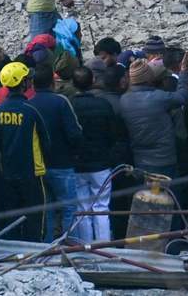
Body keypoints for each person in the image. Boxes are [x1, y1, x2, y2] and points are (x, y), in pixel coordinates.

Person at [0, 62, 51, 242]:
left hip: (6, 172)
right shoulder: (31, 110)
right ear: (23, 83)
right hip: (32, 172)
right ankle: (34, 249)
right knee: (35, 216)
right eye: (27, 79)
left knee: (11, 214)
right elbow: (46, 142)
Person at [24, 62, 84, 241]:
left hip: (39, 166)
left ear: (33, 85)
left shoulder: (29, 104)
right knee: (69, 208)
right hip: (63, 163)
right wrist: (75, 153)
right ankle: (71, 246)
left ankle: (48, 248)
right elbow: (74, 133)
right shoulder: (61, 102)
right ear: (53, 83)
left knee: (47, 210)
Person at [119, 55, 188, 188]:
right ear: (149, 77)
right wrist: (184, 71)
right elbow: (182, 97)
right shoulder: (158, 98)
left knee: (147, 198)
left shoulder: (124, 100)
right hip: (164, 159)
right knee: (168, 198)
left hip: (139, 159)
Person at [70, 66, 124, 243]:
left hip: (78, 164)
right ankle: (103, 246)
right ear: (92, 81)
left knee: (82, 208)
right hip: (101, 163)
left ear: (73, 83)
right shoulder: (103, 104)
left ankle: (85, 246)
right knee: (101, 206)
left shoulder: (70, 105)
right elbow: (113, 134)